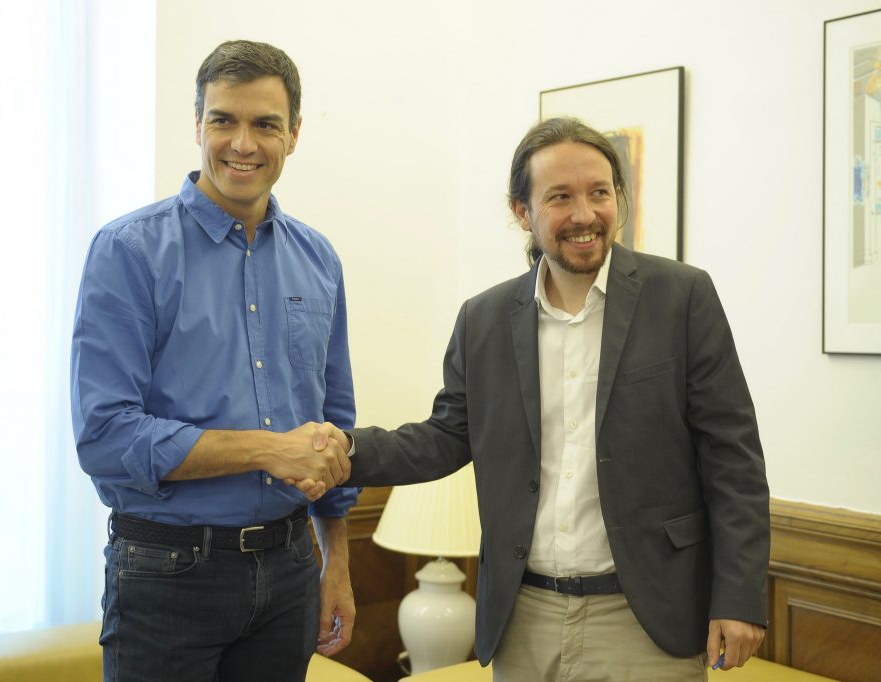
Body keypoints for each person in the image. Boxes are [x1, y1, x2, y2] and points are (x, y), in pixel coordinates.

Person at [313, 117, 769, 681]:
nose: (584, 214)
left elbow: (734, 459)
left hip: (645, 617)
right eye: (560, 197)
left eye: (599, 192)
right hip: (523, 616)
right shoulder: (482, 320)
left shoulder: (682, 297)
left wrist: (739, 598)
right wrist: (343, 452)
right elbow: (446, 436)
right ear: (522, 212)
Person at [71, 40, 356, 682]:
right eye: (223, 120)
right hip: (169, 574)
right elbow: (105, 437)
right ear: (197, 123)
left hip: (291, 571)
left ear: (295, 134)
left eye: (265, 124)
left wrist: (335, 560)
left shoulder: (320, 259)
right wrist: (264, 449)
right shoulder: (128, 252)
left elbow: (335, 423)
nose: (243, 144)